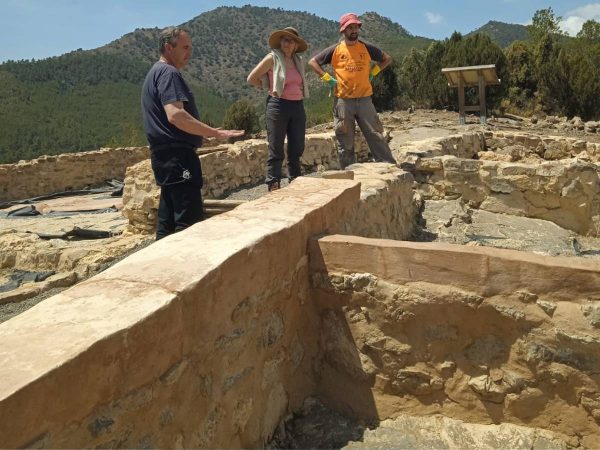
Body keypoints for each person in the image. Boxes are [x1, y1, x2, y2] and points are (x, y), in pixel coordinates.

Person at [141, 27, 244, 240]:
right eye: (185, 47)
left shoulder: (154, 72)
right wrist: (215, 132)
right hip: (178, 157)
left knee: (167, 221)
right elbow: (176, 115)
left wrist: (199, 133)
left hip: (164, 157)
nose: (190, 52)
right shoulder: (169, 73)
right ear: (169, 48)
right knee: (188, 223)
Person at [308, 13, 397, 169]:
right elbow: (313, 62)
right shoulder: (336, 49)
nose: (354, 30)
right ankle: (349, 173)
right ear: (343, 30)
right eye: (350, 27)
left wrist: (373, 72)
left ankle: (389, 168)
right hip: (343, 101)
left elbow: (387, 59)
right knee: (345, 140)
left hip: (364, 99)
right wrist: (327, 78)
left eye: (356, 27)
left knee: (375, 134)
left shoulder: (366, 47)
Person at [247, 27, 309, 191]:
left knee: (297, 146)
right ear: (280, 42)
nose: (288, 43)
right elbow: (251, 78)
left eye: (291, 41)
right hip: (278, 105)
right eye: (285, 40)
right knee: (276, 147)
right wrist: (268, 85)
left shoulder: (298, 61)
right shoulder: (272, 58)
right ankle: (273, 185)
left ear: (296, 45)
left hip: (297, 105)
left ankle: (295, 182)